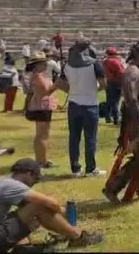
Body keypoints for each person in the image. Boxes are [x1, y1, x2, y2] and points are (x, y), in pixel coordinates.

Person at [0, 158, 104, 252]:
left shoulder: (3, 183)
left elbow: (25, 209)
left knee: (26, 212)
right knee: (38, 205)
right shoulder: (12, 185)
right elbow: (49, 203)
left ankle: (23, 248)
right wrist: (63, 212)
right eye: (36, 180)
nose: (34, 184)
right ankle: (78, 237)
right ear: (29, 173)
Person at [103, 44, 139, 203]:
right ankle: (112, 188)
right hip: (135, 120)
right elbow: (130, 99)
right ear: (135, 55)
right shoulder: (132, 72)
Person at [61, 41, 106, 177]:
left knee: (74, 137)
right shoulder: (94, 65)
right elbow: (103, 84)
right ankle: (91, 168)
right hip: (90, 104)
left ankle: (75, 169)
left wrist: (73, 91)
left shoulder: (67, 65)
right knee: (90, 137)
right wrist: (94, 89)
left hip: (74, 104)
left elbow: (59, 84)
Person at [25, 52, 58, 169]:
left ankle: (42, 159)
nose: (46, 64)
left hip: (42, 107)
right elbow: (45, 91)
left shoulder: (39, 75)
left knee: (42, 135)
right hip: (41, 108)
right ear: (37, 65)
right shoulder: (38, 76)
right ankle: (42, 161)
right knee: (42, 136)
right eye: (43, 63)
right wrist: (57, 85)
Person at [103, 47, 125, 125]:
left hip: (109, 82)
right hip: (116, 82)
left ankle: (108, 117)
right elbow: (121, 72)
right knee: (115, 101)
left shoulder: (105, 61)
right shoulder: (115, 62)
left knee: (109, 101)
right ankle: (116, 118)